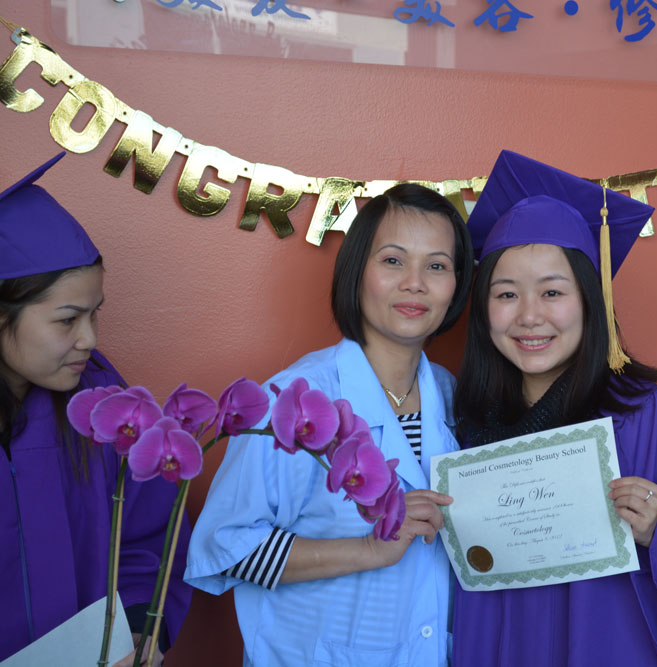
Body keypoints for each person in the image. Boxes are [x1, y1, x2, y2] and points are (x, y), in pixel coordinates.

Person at [452, 150, 657, 667]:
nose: (529, 316)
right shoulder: (465, 430)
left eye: (552, 292)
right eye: (506, 294)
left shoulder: (654, 417)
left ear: (592, 302)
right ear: (484, 311)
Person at [185, 183, 474, 666]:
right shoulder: (294, 402)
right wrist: (367, 549)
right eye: (393, 260)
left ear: (457, 285)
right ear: (357, 270)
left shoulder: (453, 397)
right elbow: (226, 548)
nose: (415, 283)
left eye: (437, 266)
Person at [0, 153, 191, 664]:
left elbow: (150, 535)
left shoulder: (106, 407)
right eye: (68, 319)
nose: (89, 339)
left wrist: (140, 628)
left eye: (94, 314)